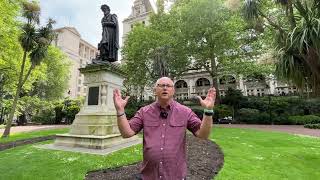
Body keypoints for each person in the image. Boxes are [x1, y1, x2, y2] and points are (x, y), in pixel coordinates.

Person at [113, 77, 216, 180]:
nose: (165, 88)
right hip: (149, 176)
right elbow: (126, 133)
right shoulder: (144, 112)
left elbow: (203, 134)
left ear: (173, 90)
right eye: (161, 85)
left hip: (176, 176)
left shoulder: (185, 112)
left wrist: (208, 111)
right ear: (155, 91)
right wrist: (120, 110)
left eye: (168, 86)